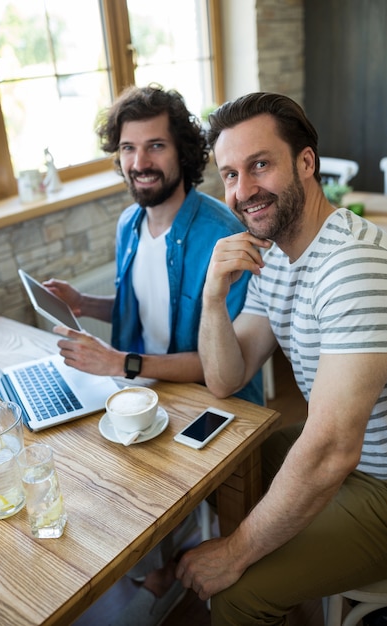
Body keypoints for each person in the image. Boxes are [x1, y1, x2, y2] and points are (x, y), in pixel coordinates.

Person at [43, 85, 263, 625]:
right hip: (148, 389)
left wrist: (120, 363)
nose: (139, 162)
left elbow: (222, 369)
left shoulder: (222, 236)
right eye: (127, 148)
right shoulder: (130, 224)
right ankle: (164, 558)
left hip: (217, 406)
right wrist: (85, 302)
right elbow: (144, 300)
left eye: (155, 146)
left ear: (183, 152)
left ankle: (178, 564)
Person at [176, 92, 387, 625]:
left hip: (381, 481)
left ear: (306, 162)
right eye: (229, 174)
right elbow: (227, 377)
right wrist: (213, 297)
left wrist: (236, 552)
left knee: (236, 594)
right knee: (227, 468)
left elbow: (333, 448)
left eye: (260, 165)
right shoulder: (281, 257)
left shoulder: (351, 266)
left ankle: (271, 586)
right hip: (353, 458)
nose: (243, 191)